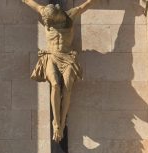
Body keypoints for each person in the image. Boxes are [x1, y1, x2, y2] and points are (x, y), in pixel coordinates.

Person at [21, 0, 99, 141]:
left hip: (67, 57)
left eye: (50, 21)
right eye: (47, 21)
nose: (48, 24)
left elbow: (85, 5)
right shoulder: (46, 14)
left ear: (58, 15)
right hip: (51, 56)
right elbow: (29, 2)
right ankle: (56, 123)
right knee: (56, 85)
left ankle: (62, 123)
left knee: (67, 87)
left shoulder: (70, 16)